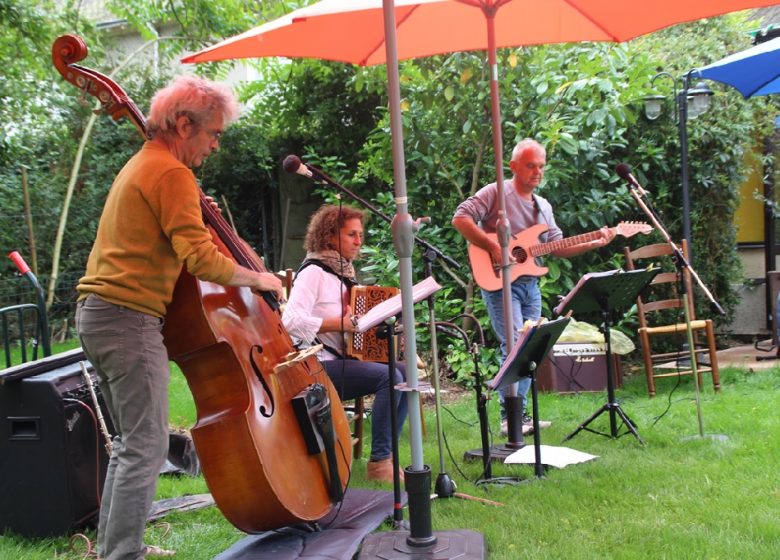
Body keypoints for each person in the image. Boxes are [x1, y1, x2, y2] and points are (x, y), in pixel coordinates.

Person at [74, 76, 284, 560]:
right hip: (127, 319)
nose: (215, 145)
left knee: (132, 444)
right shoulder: (170, 173)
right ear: (184, 124)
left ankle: (114, 549)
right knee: (145, 447)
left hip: (102, 316)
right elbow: (202, 260)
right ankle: (121, 555)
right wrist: (261, 280)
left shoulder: (145, 165)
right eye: (213, 133)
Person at [452, 138, 615, 435]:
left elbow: (555, 247)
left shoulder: (543, 207)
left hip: (530, 285)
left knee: (530, 348)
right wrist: (493, 244)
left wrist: (592, 243)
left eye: (541, 166)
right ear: (513, 166)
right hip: (500, 281)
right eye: (530, 166)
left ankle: (521, 415)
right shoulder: (495, 193)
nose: (537, 172)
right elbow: (460, 218)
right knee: (513, 346)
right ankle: (508, 418)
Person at [282, 204, 408, 484]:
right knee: (390, 377)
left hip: (344, 360)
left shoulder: (343, 272)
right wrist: (340, 324)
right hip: (316, 365)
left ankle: (388, 456)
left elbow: (353, 325)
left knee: (405, 371)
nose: (358, 241)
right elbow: (291, 321)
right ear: (329, 237)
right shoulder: (314, 271)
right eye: (351, 234)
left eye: (360, 234)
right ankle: (380, 462)